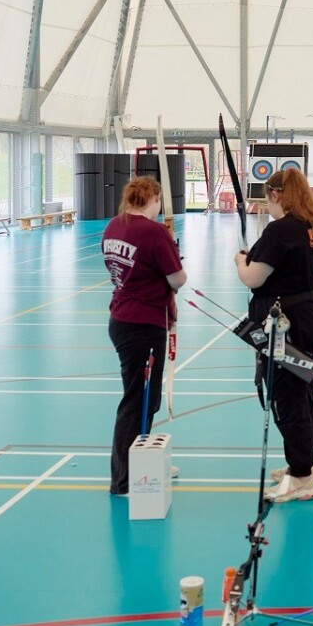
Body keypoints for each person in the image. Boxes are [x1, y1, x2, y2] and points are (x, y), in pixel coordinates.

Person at [234, 167, 313, 504]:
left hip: (286, 322)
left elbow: (253, 278)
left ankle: (301, 476)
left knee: (287, 395)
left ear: (276, 195)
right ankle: (305, 464)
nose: (268, 205)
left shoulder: (280, 230)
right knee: (304, 388)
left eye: (268, 198)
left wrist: (239, 261)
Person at [101, 176, 186, 496]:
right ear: (154, 199)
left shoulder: (113, 226)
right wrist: (171, 255)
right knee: (137, 402)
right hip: (143, 325)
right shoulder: (153, 232)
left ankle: (143, 464)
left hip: (123, 318)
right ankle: (124, 478)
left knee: (145, 400)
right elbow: (177, 279)